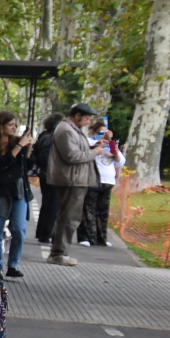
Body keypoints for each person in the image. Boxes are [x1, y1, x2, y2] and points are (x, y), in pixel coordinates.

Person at [45, 103, 104, 265]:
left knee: (70, 216)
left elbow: (76, 150)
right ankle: (58, 253)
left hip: (76, 179)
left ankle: (60, 251)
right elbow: (71, 155)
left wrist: (92, 147)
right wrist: (94, 152)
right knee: (69, 217)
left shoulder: (71, 129)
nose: (88, 122)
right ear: (77, 115)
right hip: (71, 180)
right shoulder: (65, 130)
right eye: (86, 118)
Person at [0, 111, 30, 277]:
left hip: (18, 188)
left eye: (15, 125)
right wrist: (19, 147)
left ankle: (13, 264)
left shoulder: (17, 141)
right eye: (10, 125)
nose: (13, 128)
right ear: (0, 126)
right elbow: (1, 163)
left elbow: (27, 164)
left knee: (19, 228)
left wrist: (27, 146)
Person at [81, 127, 120, 247]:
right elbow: (86, 147)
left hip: (108, 182)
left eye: (106, 132)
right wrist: (101, 141)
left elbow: (119, 161)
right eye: (100, 132)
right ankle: (87, 237)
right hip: (93, 180)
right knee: (89, 208)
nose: (104, 135)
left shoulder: (111, 144)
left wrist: (115, 152)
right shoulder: (90, 142)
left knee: (103, 210)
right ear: (94, 133)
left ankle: (101, 237)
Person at [32, 113, 64, 244]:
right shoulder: (52, 138)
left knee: (48, 204)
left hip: (46, 174)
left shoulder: (44, 136)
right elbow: (46, 157)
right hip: (52, 174)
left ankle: (43, 232)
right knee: (52, 205)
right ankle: (46, 233)